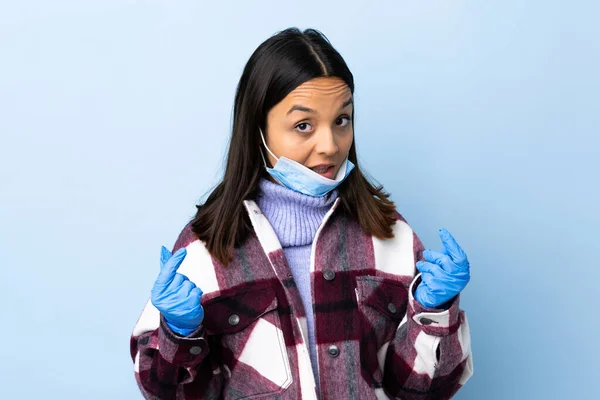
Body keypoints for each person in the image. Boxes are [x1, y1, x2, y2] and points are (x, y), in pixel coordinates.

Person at [130, 27, 473, 400]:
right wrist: (180, 333)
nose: (329, 145)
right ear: (257, 130)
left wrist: (434, 313)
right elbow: (166, 394)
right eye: (303, 125)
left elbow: (423, 392)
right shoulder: (205, 249)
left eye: (342, 120)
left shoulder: (392, 237)